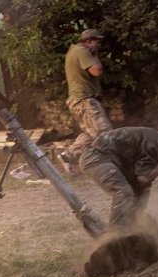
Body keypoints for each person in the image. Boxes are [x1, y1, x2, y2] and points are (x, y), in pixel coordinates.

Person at [79, 127, 158, 229]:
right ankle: (115, 236)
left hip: (109, 160)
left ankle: (142, 233)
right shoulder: (154, 144)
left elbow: (143, 184)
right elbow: (143, 178)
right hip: (96, 158)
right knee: (124, 192)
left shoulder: (155, 143)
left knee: (140, 198)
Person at [58, 28, 113, 174]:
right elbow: (97, 71)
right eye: (97, 41)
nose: (99, 45)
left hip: (78, 100)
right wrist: (95, 55)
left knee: (90, 135)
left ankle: (67, 156)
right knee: (105, 134)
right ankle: (111, 166)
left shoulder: (74, 51)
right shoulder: (82, 51)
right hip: (84, 100)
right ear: (89, 41)